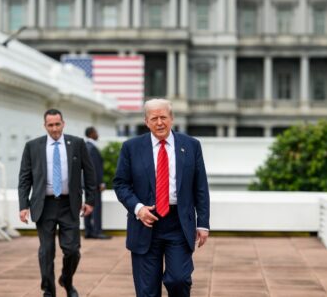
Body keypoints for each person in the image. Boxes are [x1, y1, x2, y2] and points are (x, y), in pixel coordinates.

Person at [113, 98, 210, 297]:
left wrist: (203, 223)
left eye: (163, 117)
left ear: (172, 118)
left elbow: (200, 187)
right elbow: (121, 184)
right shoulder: (131, 148)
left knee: (179, 279)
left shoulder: (191, 145)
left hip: (179, 223)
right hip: (145, 223)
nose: (159, 122)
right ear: (146, 121)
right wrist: (138, 208)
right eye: (154, 118)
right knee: (147, 291)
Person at [18, 109, 97, 297]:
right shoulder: (32, 146)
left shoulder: (77, 144)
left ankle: (67, 280)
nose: (54, 128)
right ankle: (48, 290)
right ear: (45, 126)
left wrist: (91, 200)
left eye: (57, 124)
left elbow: (90, 172)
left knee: (72, 251)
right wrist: (23, 206)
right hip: (43, 205)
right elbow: (24, 178)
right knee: (46, 252)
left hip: (69, 204)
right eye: (50, 125)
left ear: (63, 123)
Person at [84, 127, 111, 240]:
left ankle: (88, 231)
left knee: (88, 206)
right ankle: (97, 231)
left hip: (87, 183)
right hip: (94, 184)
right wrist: (100, 182)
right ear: (91, 134)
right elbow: (95, 168)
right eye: (96, 132)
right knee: (96, 208)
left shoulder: (86, 147)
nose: (97, 134)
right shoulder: (92, 149)